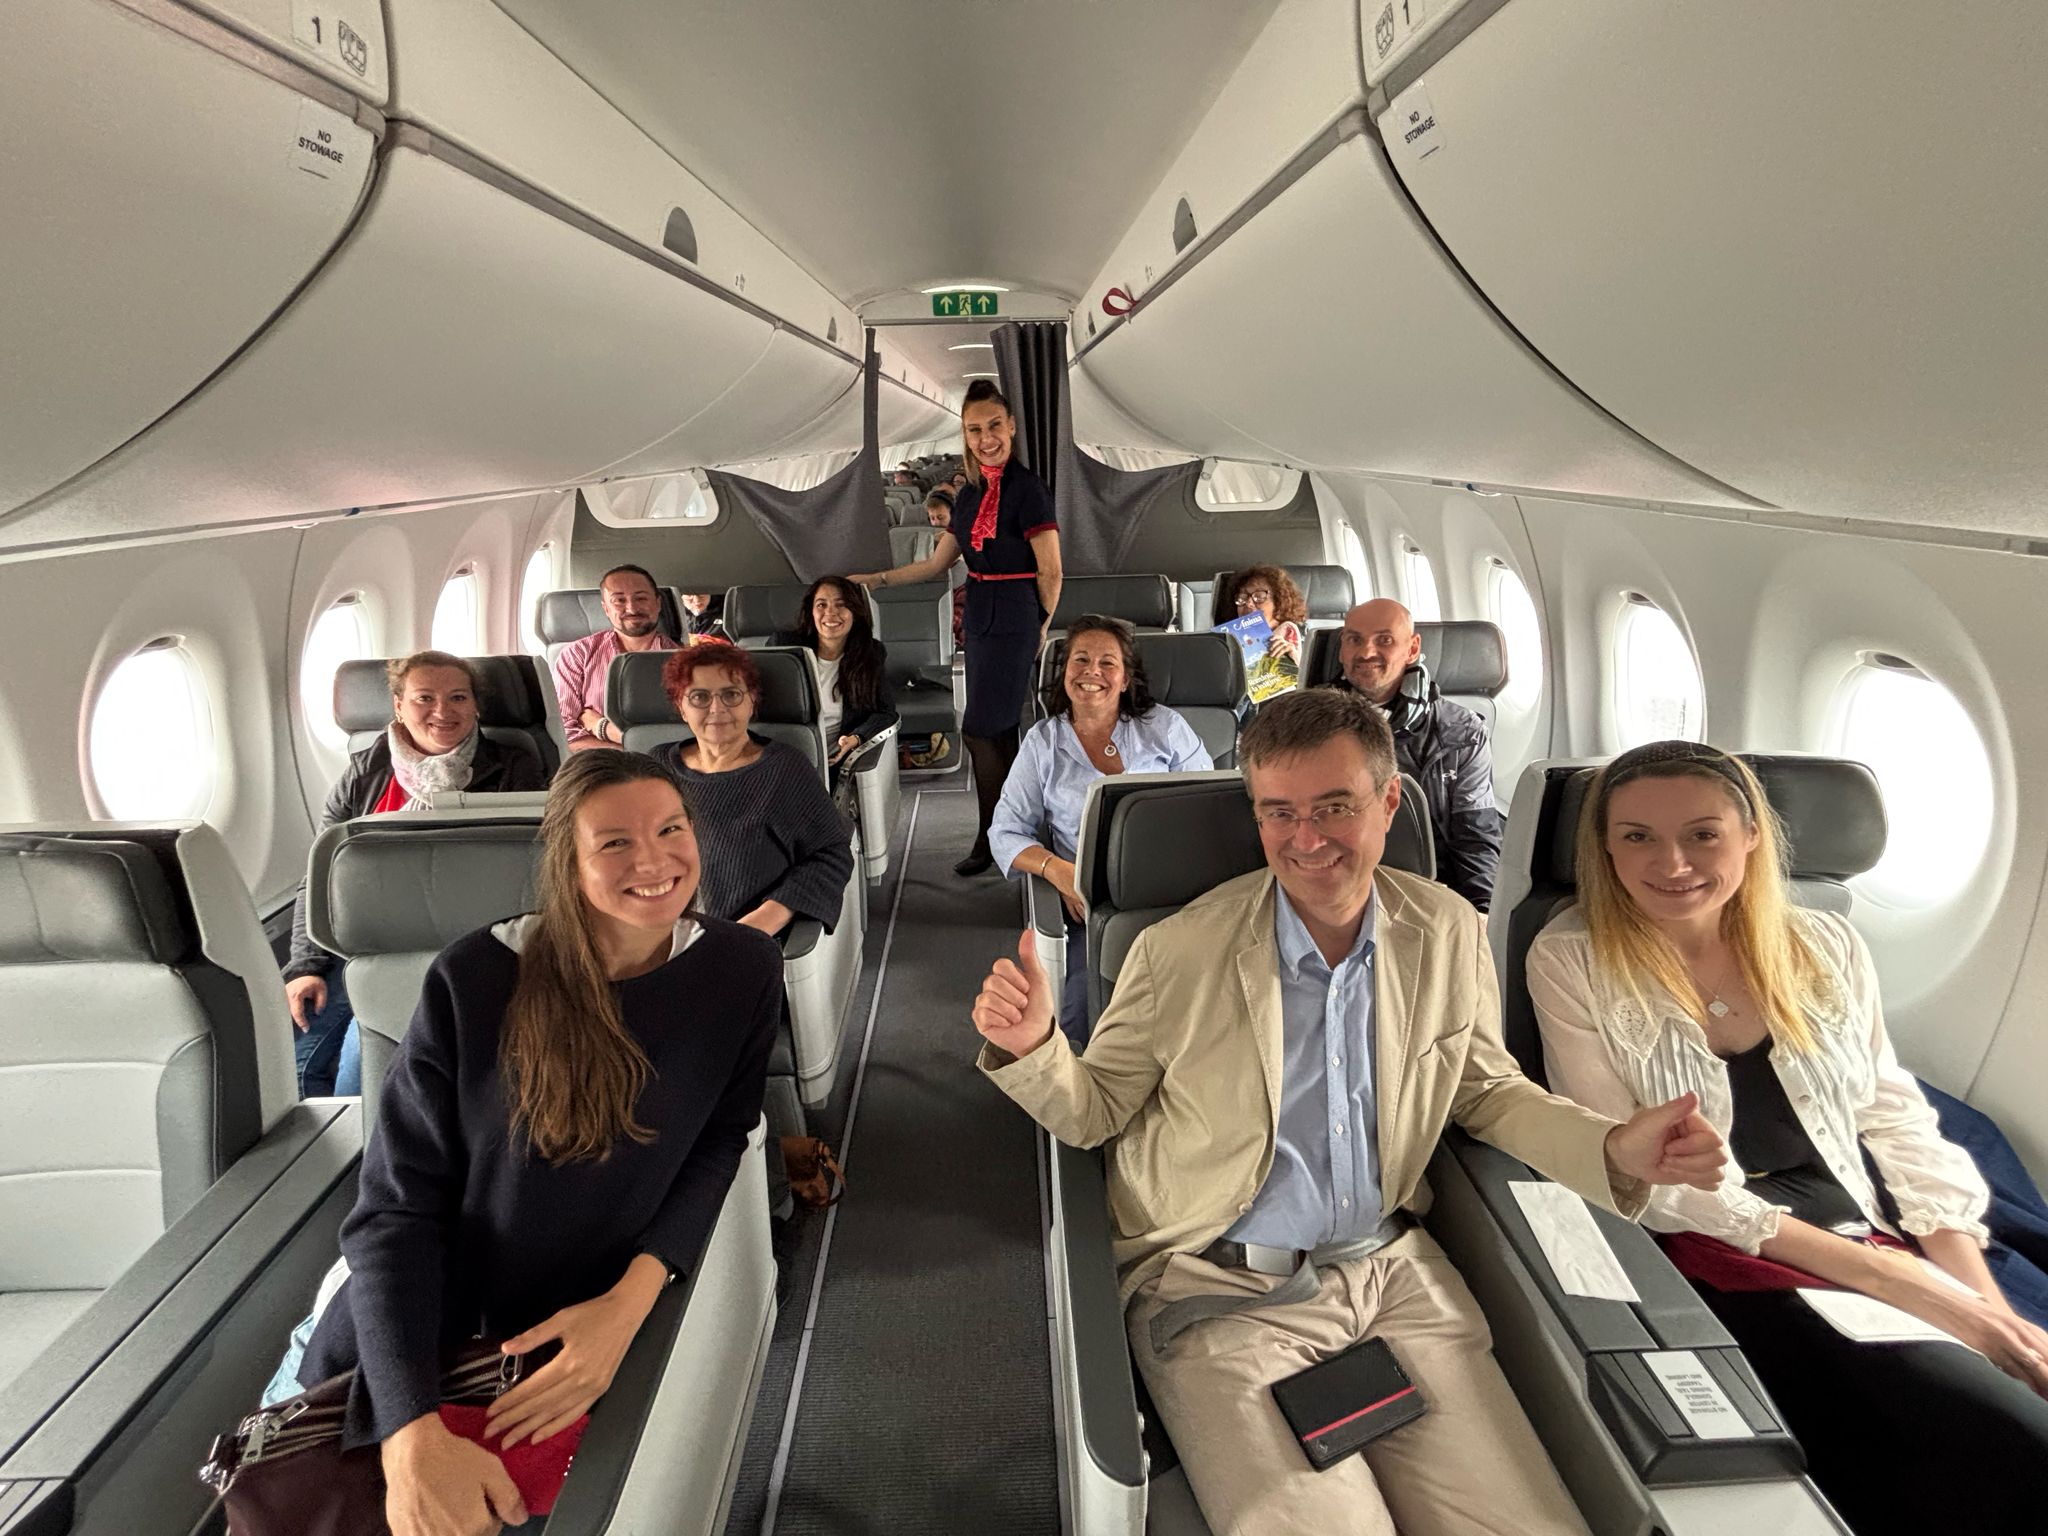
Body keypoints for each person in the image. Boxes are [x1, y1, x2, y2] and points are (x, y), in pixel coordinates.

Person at [971, 688, 1727, 1536]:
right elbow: (1095, 1111)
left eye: (1335, 807)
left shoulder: (1444, 929)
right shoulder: (1177, 950)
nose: (1307, 839)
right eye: (1279, 813)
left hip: (1398, 1277)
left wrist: (1615, 1145)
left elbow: (1485, 1090)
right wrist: (1037, 1046)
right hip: (1222, 1292)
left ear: (1390, 800)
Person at [1527, 741, 2048, 1534]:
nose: (1671, 862)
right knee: (2011, 1437)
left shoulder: (1827, 945)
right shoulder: (1571, 958)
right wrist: (1898, 1284)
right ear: (1603, 847)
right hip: (1732, 1249)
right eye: (1637, 836)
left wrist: (1978, 1300)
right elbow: (1633, 1173)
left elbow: (1892, 1112)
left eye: (1703, 834)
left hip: (1872, 1225)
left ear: (1751, 837)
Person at [282, 751, 779, 1535]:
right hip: (423, 1335)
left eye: (671, 829)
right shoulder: (477, 979)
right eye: (614, 842)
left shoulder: (744, 967)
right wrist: (409, 1433)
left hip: (575, 1327)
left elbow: (721, 1138)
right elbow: (396, 1217)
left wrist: (628, 1303)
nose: (653, 860)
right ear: (567, 861)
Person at [285, 652, 547, 1097]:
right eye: (424, 698)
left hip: (464, 944)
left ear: (477, 706)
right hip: (364, 947)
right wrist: (305, 965)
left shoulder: (515, 770)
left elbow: (538, 871)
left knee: (361, 1077)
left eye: (458, 697)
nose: (442, 712)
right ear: (398, 706)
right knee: (299, 1071)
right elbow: (320, 875)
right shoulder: (364, 775)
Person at [850, 380, 1064, 877]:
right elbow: (936, 565)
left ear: (1011, 427)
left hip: (1015, 613)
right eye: (975, 429)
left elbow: (1051, 570)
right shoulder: (968, 494)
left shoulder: (1028, 489)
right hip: (983, 610)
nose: (986, 437)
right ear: (965, 435)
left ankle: (994, 836)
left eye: (994, 426)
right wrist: (875, 579)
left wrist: (1042, 626)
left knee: (980, 731)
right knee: (1002, 735)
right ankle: (1015, 834)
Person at [988, 617, 1211, 1044]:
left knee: (1196, 1013)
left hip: (1177, 900)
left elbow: (1208, 806)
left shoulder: (1164, 729)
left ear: (1126, 679)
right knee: (1083, 1020)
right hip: (1093, 909)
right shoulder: (1043, 743)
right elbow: (1005, 832)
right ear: (1065, 672)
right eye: (1081, 660)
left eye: (1107, 663)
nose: (1092, 671)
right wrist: (1057, 870)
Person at [655, 644, 853, 935]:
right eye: (699, 697)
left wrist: (766, 919)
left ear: (751, 702)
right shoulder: (654, 767)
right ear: (681, 707)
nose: (717, 708)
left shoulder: (784, 769)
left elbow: (831, 854)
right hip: (657, 936)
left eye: (731, 694)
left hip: (742, 939)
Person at [1332, 598, 1501, 911]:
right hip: (1337, 885)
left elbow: (1474, 834)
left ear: (1411, 649)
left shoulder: (1460, 732)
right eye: (1354, 640)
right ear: (1342, 649)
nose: (1366, 652)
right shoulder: (1307, 727)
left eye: (1384, 640)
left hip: (1433, 887)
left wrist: (1483, 910)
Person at [552, 565, 680, 752]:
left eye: (641, 598)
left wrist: (601, 728)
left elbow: (682, 734)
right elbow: (563, 731)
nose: (632, 608)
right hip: (597, 764)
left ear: (658, 604)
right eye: (619, 600)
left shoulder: (684, 661)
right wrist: (630, 751)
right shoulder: (576, 655)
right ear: (606, 608)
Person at [782, 576, 898, 782]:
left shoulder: (870, 653)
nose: (830, 613)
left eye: (841, 605)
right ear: (811, 611)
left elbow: (885, 712)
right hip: (785, 759)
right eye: (821, 605)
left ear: (855, 612)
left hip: (832, 763)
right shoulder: (785, 649)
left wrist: (857, 738)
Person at [1227, 563, 1307, 668]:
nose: (1248, 603)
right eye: (1242, 598)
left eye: (1259, 597)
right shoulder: (1226, 642)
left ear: (1279, 602)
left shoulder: (1303, 637)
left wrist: (1293, 660)